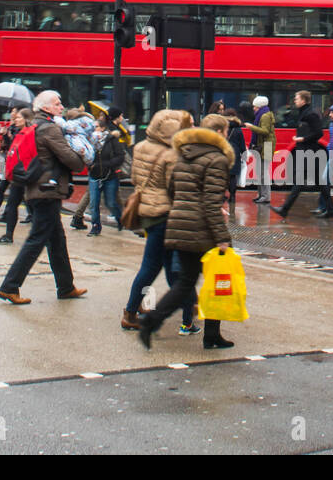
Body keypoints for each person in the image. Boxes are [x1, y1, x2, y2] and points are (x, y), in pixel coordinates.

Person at [137, 122, 236, 351]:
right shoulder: (217, 160)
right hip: (202, 230)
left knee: (185, 282)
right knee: (215, 283)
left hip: (178, 224)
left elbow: (172, 191)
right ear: (219, 134)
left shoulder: (183, 157)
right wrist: (222, 238)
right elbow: (211, 204)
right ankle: (210, 336)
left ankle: (152, 323)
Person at [0, 90, 86, 304]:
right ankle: (10, 286)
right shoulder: (50, 129)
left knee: (57, 240)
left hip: (37, 189)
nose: (61, 107)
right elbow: (69, 159)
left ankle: (65, 286)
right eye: (57, 103)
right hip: (47, 191)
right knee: (36, 240)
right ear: (46, 107)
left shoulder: (34, 126)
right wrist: (82, 156)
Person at [121, 109, 196, 332]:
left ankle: (137, 309)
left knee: (155, 266)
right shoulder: (171, 154)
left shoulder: (141, 146)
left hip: (147, 212)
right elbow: (177, 188)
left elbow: (134, 177)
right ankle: (132, 312)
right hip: (165, 214)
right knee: (162, 267)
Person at [272, 91, 331, 217]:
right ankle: (331, 209)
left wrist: (303, 139)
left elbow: (319, 133)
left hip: (309, 152)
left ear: (304, 100)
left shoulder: (311, 114)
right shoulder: (304, 113)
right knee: (320, 182)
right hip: (306, 151)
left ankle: (284, 209)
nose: (295, 101)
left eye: (297, 99)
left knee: (299, 181)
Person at [0, 108, 34, 243]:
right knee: (12, 204)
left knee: (32, 205)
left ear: (26, 119)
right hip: (16, 174)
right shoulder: (16, 132)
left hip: (25, 173)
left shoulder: (31, 133)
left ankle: (39, 235)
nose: (15, 120)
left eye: (18, 118)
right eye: (14, 118)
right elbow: (10, 150)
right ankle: (8, 235)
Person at [86, 111, 126, 235]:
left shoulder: (111, 139)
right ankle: (95, 227)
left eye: (96, 127)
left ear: (103, 128)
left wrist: (107, 164)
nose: (94, 130)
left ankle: (120, 219)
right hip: (94, 176)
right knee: (94, 203)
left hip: (109, 176)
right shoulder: (89, 141)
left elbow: (120, 156)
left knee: (111, 203)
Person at [0, 108, 23, 222]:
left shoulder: (20, 129)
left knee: (18, 193)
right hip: (8, 162)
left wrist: (9, 135)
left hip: (16, 164)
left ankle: (27, 215)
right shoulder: (10, 126)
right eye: (12, 111)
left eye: (15, 112)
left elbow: (16, 145)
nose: (12, 113)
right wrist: (5, 135)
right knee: (2, 188)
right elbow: (7, 145)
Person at [250, 95, 274, 205]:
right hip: (264, 145)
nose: (253, 108)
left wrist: (251, 127)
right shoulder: (262, 115)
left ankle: (265, 196)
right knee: (260, 171)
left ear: (259, 106)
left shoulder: (264, 116)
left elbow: (264, 131)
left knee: (264, 172)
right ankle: (261, 195)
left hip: (267, 146)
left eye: (255, 106)